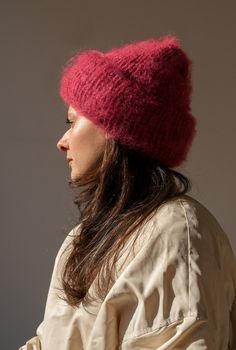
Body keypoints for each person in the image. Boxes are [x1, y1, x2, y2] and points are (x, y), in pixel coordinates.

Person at [19, 35, 236, 349]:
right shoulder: (86, 236)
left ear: (116, 128)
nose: (62, 141)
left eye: (72, 121)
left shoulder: (176, 231)